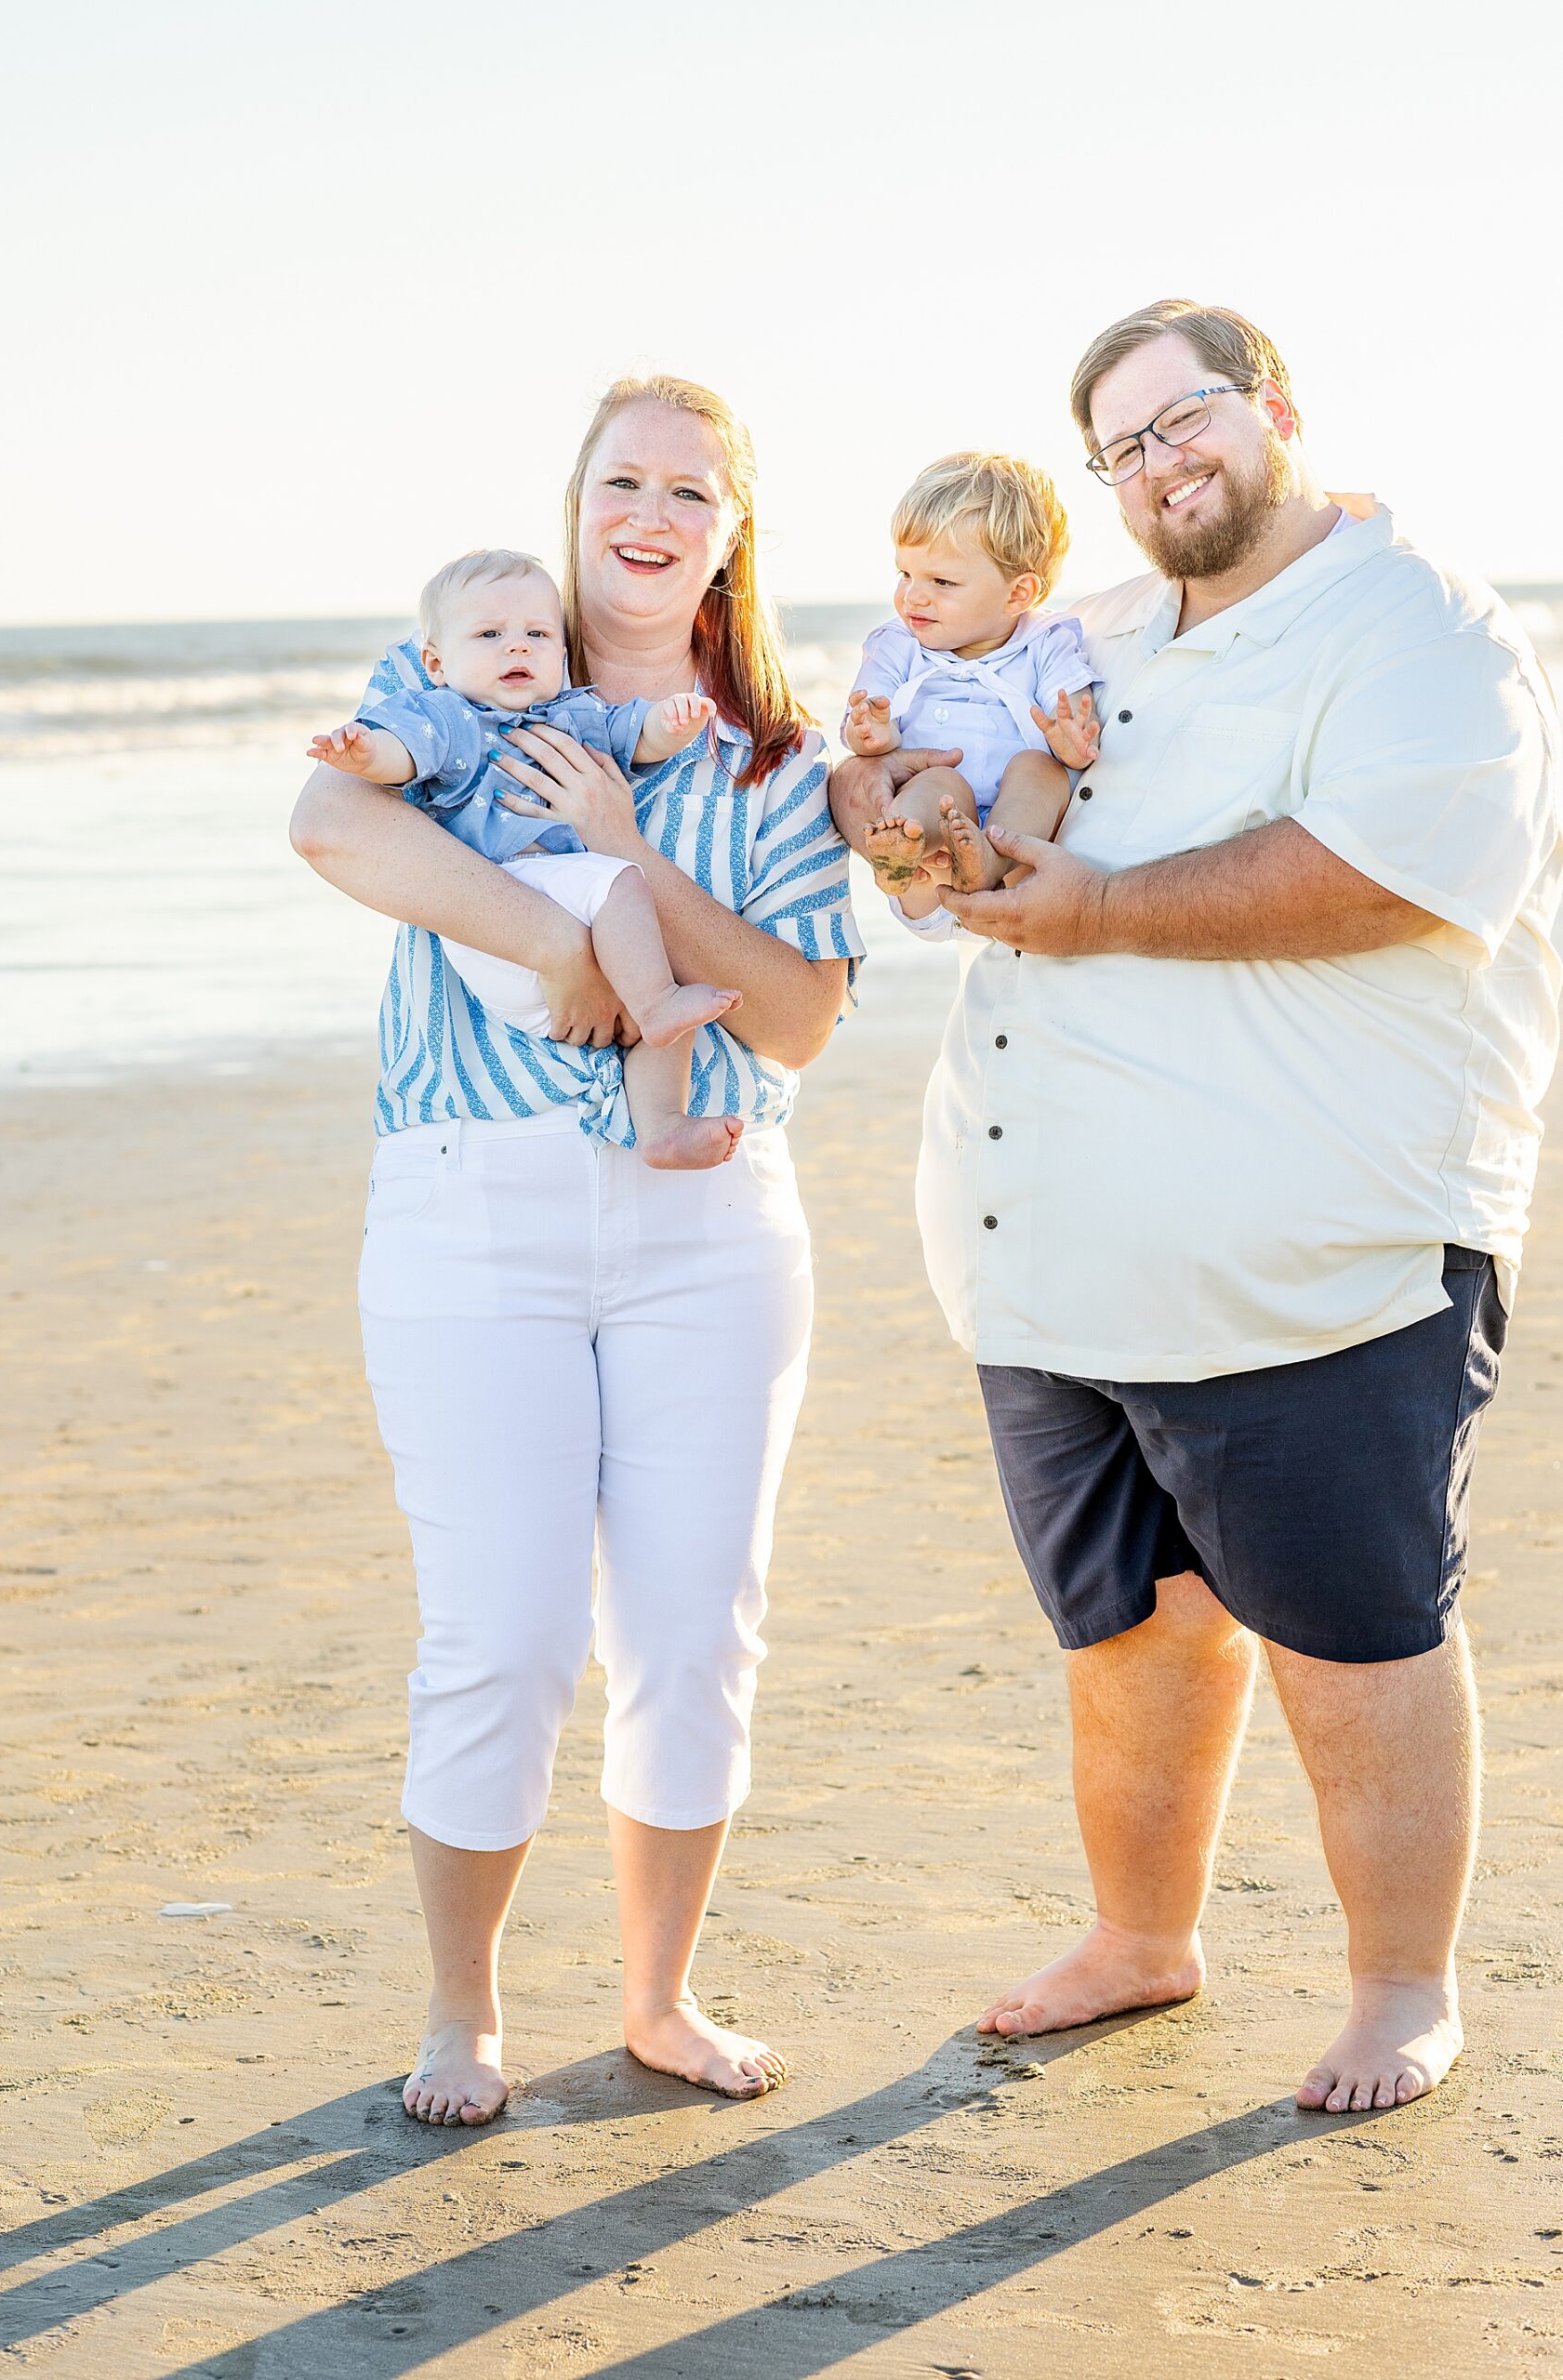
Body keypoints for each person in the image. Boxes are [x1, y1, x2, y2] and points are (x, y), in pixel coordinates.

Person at [831, 298, 1560, 2116]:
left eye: (1187, 418)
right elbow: (965, 821)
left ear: (1275, 410)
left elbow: (1375, 874)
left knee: (1351, 1628)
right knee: (1127, 1625)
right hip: (1046, 1254)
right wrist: (892, 807)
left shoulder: (1414, 628)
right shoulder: (1085, 625)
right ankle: (1137, 1937)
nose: (1160, 461)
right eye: (1121, 443)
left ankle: (1400, 1986)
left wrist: (1093, 907)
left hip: (1307, 1247)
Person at [290, 373, 861, 2122]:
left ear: (731, 529)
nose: (652, 514)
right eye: (624, 479)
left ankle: (660, 2001)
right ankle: (462, 2014)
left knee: (693, 1630)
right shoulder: (457, 673)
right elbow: (329, 823)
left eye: (692, 491)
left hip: (711, 1221)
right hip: (477, 1207)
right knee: (504, 1634)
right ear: (577, 497)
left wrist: (633, 875)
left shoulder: (775, 759)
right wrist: (559, 948)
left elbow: (805, 1020)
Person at [310, 546, 742, 1169]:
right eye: (489, 634)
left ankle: (662, 1128)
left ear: (562, 655)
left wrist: (672, 724)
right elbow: (403, 753)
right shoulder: (450, 716)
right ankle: (655, 1008)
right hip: (500, 915)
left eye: (537, 634)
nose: (518, 648)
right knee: (624, 884)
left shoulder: (575, 715)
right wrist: (361, 752)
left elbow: (635, 735)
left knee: (666, 984)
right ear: (435, 662)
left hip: (557, 920)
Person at [842, 451, 1100, 913]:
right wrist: (871, 733)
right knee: (940, 780)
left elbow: (1073, 713)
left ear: (1018, 594)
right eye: (905, 573)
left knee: (1039, 770)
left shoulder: (1046, 639)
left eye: (941, 581)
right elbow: (864, 730)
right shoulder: (896, 644)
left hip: (1013, 819)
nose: (912, 596)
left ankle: (991, 860)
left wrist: (1071, 742)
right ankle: (900, 848)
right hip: (934, 845)